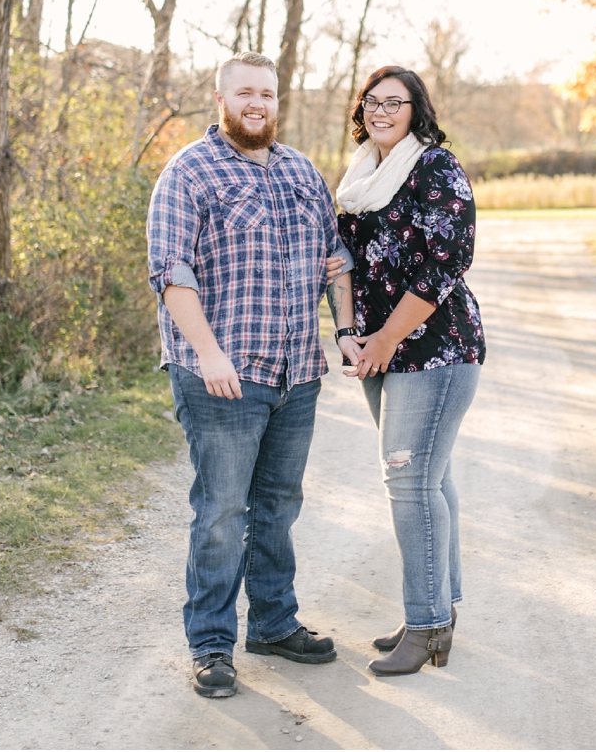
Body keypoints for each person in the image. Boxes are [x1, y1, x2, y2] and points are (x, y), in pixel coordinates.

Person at [146, 51, 355, 698]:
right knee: (221, 511)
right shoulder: (188, 172)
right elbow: (172, 273)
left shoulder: (300, 170)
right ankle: (210, 643)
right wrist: (209, 352)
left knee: (277, 506)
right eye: (245, 93)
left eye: (266, 92)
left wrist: (345, 328)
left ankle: (272, 621)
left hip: (296, 373)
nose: (257, 102)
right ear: (222, 99)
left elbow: (335, 256)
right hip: (222, 378)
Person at [334, 65, 486, 676]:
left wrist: (385, 342)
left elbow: (445, 263)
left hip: (435, 352)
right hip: (377, 352)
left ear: (416, 109)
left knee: (410, 483)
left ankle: (423, 628)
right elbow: (339, 258)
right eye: (371, 101)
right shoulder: (359, 176)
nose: (380, 110)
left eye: (394, 102)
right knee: (431, 479)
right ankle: (438, 615)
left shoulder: (435, 169)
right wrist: (349, 335)